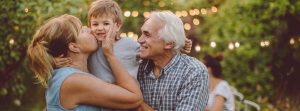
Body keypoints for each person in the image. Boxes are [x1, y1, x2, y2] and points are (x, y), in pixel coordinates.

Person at [27, 14, 143, 111]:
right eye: (82, 30)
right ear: (74, 47)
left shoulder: (65, 75)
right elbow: (135, 98)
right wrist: (109, 54)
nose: (89, 29)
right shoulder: (73, 80)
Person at [136, 11, 209, 111]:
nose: (139, 40)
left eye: (147, 35)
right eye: (141, 33)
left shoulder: (193, 71)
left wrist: (137, 103)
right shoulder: (137, 65)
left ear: (169, 43)